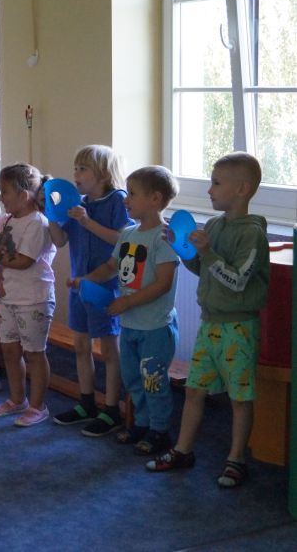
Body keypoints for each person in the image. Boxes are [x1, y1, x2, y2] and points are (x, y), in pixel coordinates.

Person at [147, 152, 270, 488]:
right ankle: (183, 450)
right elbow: (205, 270)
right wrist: (183, 249)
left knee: (239, 397)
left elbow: (238, 281)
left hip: (239, 328)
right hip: (210, 324)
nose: (209, 190)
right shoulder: (214, 226)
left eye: (216, 183)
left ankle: (236, 460)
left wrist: (207, 252)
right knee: (194, 390)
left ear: (241, 189)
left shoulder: (253, 233)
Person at [74, 166, 180, 455]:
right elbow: (111, 267)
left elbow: (163, 283)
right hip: (131, 325)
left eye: (132, 194)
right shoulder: (128, 234)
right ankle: (141, 424)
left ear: (155, 199)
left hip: (155, 327)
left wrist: (127, 303)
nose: (125, 199)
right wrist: (86, 280)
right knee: (133, 378)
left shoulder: (164, 238)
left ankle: (159, 430)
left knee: (154, 381)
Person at [47, 144, 132, 436]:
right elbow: (59, 241)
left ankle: (112, 409)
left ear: (103, 174)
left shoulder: (118, 200)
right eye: (76, 168)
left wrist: (87, 221)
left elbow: (122, 241)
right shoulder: (78, 203)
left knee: (108, 350)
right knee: (81, 346)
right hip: (78, 286)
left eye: (83, 168)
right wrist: (51, 214)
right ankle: (87, 403)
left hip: (106, 287)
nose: (76, 173)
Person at [0, 163, 56, 427]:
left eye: (5, 191)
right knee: (10, 351)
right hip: (8, 297)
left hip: (33, 299)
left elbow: (24, 261)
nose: (1, 197)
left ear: (23, 195)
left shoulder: (38, 223)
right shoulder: (6, 219)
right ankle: (17, 399)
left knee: (35, 353)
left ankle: (38, 406)